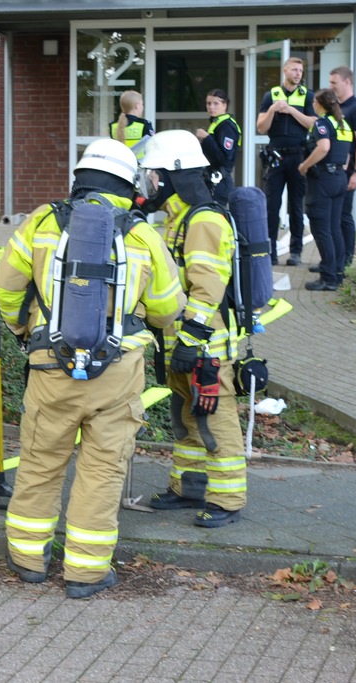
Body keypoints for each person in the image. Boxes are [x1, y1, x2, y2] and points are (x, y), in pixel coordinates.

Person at [0, 138, 184, 598]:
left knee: (39, 461)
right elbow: (166, 308)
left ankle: (27, 558)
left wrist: (25, 332)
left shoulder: (40, 222)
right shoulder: (142, 233)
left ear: (79, 178)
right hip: (118, 372)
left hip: (49, 366)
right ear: (127, 183)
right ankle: (85, 571)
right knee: (102, 470)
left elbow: (3, 289)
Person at [139, 130, 247, 528]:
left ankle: (228, 498)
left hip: (205, 347)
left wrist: (190, 341)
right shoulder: (180, 218)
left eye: (153, 174)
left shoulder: (203, 220)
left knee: (214, 421)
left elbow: (207, 288)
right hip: (181, 344)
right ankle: (190, 487)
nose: (149, 182)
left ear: (174, 175)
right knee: (186, 420)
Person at [311, 66, 356, 279]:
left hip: (347, 172)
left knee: (343, 216)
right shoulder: (335, 108)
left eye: (334, 83)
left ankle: (344, 261)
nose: (331, 87)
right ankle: (332, 261)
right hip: (334, 171)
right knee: (331, 220)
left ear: (347, 82)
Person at [256, 57, 316, 266]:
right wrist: (273, 109)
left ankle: (296, 252)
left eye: (300, 70)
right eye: (294, 69)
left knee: (296, 206)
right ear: (285, 71)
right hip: (276, 156)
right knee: (272, 205)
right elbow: (261, 128)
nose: (298, 73)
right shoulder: (271, 95)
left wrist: (290, 109)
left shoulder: (307, 95)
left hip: (298, 155)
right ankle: (270, 251)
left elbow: (312, 124)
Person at [299, 89, 354, 292]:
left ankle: (328, 278)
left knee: (322, 230)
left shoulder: (323, 123)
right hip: (339, 177)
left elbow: (323, 147)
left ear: (321, 104)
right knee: (334, 229)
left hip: (323, 180)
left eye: (314, 101)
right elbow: (347, 156)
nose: (313, 104)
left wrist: (305, 165)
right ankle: (337, 274)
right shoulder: (343, 124)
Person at [194, 89, 241, 204]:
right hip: (210, 179)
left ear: (225, 105)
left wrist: (206, 138)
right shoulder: (216, 123)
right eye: (208, 103)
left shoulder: (227, 125)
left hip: (220, 181)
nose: (211, 107)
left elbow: (225, 158)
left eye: (216, 103)